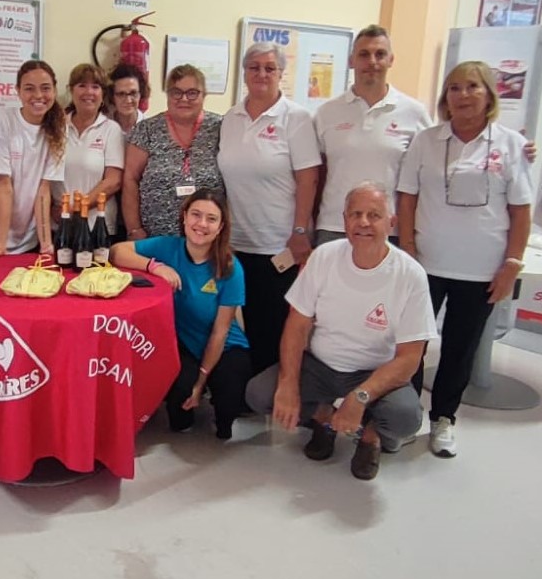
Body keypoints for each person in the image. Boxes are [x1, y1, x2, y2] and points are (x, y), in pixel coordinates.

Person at [245, 182, 437, 480]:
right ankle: (325, 417)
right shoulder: (324, 257)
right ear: (344, 220)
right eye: (355, 214)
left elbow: (410, 358)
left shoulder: (411, 275)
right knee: (259, 394)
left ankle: (370, 436)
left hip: (373, 373)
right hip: (320, 367)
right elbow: (296, 325)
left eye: (374, 215)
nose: (363, 222)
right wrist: (288, 382)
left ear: (391, 222)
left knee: (405, 419)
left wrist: (360, 396)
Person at [397, 61, 533, 459]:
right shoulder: (426, 141)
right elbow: (407, 198)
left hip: (481, 268)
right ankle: (405, 416)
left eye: (472, 87)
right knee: (411, 344)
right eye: (454, 88)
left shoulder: (510, 144)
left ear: (489, 94)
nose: (463, 95)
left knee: (460, 348)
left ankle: (444, 418)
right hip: (426, 263)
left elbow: (521, 210)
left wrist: (512, 264)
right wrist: (407, 248)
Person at [111, 188, 251, 439]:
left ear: (221, 227)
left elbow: (220, 333)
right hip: (185, 344)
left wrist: (201, 381)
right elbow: (117, 252)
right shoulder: (167, 247)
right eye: (196, 215)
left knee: (227, 412)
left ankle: (219, 408)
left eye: (211, 219)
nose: (202, 224)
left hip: (225, 345)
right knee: (179, 417)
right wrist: (154, 266)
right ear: (184, 217)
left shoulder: (230, 268)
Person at [218, 42, 322, 374]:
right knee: (243, 320)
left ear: (280, 73)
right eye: (254, 67)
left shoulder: (296, 118)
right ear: (244, 72)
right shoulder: (231, 118)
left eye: (269, 68)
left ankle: (275, 390)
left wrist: (300, 231)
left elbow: (308, 180)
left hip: (278, 244)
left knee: (275, 325)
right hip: (237, 242)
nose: (261, 74)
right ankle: (250, 388)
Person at [313, 25, 431, 245]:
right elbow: (316, 176)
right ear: (351, 60)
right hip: (334, 228)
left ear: (391, 60)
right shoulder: (326, 113)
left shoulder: (414, 113)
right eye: (364, 54)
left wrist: (409, 240)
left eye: (380, 54)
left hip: (388, 231)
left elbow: (422, 181)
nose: (372, 61)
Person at [122, 64, 224, 240]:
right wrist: (134, 229)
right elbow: (130, 180)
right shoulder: (146, 130)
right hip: (154, 240)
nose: (183, 99)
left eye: (192, 93)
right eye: (176, 92)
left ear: (204, 95)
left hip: (208, 240)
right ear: (168, 95)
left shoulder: (220, 128)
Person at [0, 60, 65, 254]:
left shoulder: (59, 127)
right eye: (29, 88)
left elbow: (43, 190)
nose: (38, 95)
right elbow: (4, 185)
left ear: (54, 90)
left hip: (30, 240)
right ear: (18, 91)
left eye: (45, 88)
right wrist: (1, 245)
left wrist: (46, 244)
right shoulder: (2, 119)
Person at [59, 63, 125, 238]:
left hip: (98, 227)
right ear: (71, 90)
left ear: (103, 94)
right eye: (82, 85)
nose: (89, 92)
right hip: (60, 225)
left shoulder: (111, 129)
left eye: (95, 87)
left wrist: (75, 208)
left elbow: (113, 181)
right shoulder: (57, 127)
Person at [107, 63, 147, 136]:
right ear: (112, 96)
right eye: (121, 94)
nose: (128, 100)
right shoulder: (103, 125)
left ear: (141, 94)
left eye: (133, 93)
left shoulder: (149, 129)